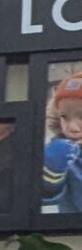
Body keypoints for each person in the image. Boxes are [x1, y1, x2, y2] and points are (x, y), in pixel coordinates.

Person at [44, 77, 82, 216]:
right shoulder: (58, 153)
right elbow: (43, 198)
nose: (72, 127)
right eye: (64, 117)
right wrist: (51, 172)